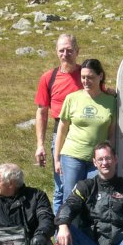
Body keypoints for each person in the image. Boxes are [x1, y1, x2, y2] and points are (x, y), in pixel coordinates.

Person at [54, 58, 117, 203]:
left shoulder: (111, 101)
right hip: (72, 156)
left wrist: (111, 157)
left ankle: (90, 227)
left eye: (90, 77)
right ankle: (67, 226)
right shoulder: (72, 98)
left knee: (95, 198)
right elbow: (61, 131)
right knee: (71, 198)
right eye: (83, 77)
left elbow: (112, 133)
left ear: (100, 76)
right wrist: (57, 159)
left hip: (97, 160)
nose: (86, 81)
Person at [34, 34, 82, 217]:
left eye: (69, 50)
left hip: (84, 135)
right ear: (56, 52)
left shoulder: (86, 75)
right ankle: (60, 234)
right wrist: (40, 145)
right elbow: (42, 111)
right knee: (61, 187)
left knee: (85, 185)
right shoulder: (48, 78)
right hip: (61, 137)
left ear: (77, 51)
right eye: (61, 50)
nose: (65, 54)